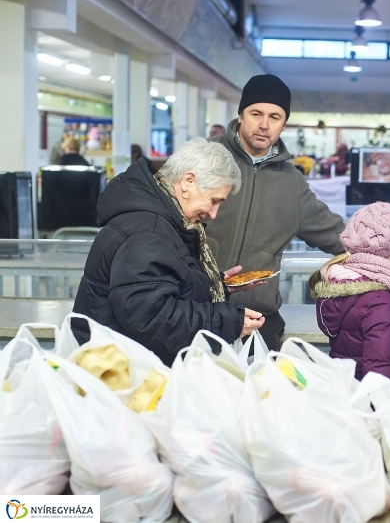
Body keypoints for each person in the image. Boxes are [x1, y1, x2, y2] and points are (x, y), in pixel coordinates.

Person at [71, 137, 265, 366]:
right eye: (214, 200)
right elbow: (153, 318)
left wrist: (216, 285)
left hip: (125, 364)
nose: (214, 213)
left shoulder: (159, 222)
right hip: (123, 374)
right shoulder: (148, 233)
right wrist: (228, 321)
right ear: (188, 181)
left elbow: (160, 287)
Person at [206, 74, 345, 350]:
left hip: (259, 320)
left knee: (261, 392)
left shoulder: (291, 182)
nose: (264, 125)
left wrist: (389, 250)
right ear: (241, 115)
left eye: (275, 116)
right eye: (256, 113)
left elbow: (337, 235)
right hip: (194, 310)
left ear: (284, 124)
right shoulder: (204, 159)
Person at [309, 202, 390, 382]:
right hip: (375, 404)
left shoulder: (347, 291)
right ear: (385, 253)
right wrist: (383, 409)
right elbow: (379, 373)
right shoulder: (381, 305)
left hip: (349, 393)